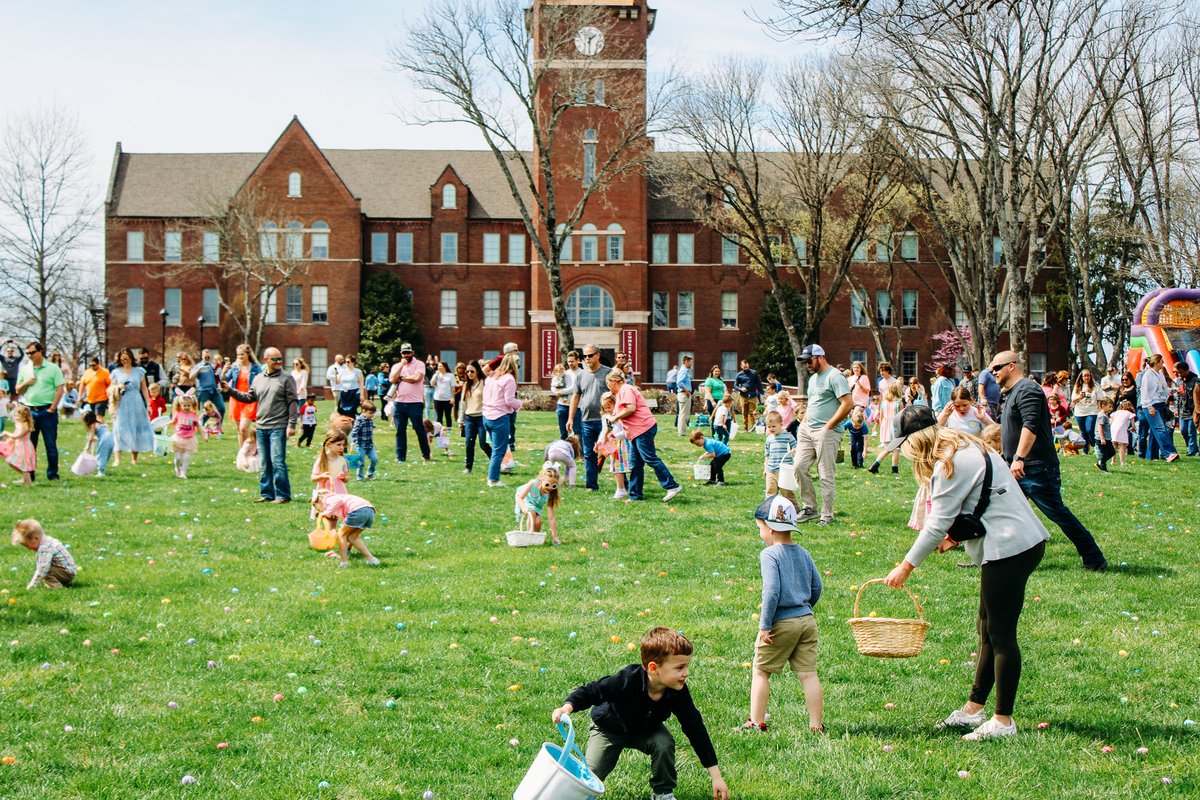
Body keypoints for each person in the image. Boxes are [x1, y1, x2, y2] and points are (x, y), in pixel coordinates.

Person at [883, 405, 1050, 741]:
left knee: (1000, 635)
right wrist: (955, 536)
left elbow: (935, 524)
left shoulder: (950, 463)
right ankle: (975, 709)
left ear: (917, 440)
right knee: (987, 628)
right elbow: (983, 500)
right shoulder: (967, 446)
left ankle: (1003, 721)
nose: (903, 451)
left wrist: (906, 566)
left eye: (904, 444)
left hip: (1011, 548)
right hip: (1015, 542)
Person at [551, 627, 730, 800]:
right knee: (589, 779)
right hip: (609, 730)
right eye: (680, 667)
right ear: (653, 668)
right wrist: (567, 707)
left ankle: (663, 794)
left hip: (646, 730)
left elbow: (694, 727)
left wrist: (716, 776)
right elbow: (592, 691)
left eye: (687, 665)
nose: (687, 672)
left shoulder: (677, 691)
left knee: (663, 742)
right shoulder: (627, 680)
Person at [988, 350, 1107, 571]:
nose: (992, 372)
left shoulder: (1027, 390)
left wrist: (1019, 458)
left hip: (1034, 468)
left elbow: (1030, 425)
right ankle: (989, 558)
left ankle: (1094, 558)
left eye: (996, 368)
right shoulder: (1013, 392)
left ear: (1011, 366)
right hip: (1017, 468)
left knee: (1057, 513)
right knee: (997, 511)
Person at [735, 495, 823, 734]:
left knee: (761, 671)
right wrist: (805, 608)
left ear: (771, 529)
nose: (760, 534)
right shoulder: (803, 553)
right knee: (808, 674)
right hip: (807, 621)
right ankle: (816, 726)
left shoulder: (770, 554)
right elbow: (817, 587)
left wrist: (765, 625)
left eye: (760, 529)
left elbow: (772, 591)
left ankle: (756, 722)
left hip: (781, 622)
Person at [222, 347, 298, 503]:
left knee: (277, 461)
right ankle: (267, 494)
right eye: (275, 359)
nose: (279, 362)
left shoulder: (286, 378)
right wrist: (230, 390)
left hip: (278, 425)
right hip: (261, 426)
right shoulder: (258, 379)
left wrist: (291, 424)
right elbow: (249, 397)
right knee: (264, 462)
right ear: (266, 360)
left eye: (280, 359)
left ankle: (283, 495)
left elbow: (293, 402)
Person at [790, 345, 853, 525]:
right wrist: (803, 425)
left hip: (828, 432)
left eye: (809, 360)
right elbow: (813, 403)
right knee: (798, 467)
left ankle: (827, 515)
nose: (807, 364)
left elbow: (848, 403)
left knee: (825, 474)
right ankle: (810, 508)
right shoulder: (813, 379)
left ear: (820, 357)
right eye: (805, 361)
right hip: (807, 429)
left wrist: (829, 426)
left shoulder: (835, 376)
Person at [608, 368, 681, 502]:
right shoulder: (621, 392)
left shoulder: (626, 389)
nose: (608, 387)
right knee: (635, 464)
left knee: (650, 458)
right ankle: (635, 495)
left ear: (613, 381)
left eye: (608, 384)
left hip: (643, 429)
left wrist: (615, 418)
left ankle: (672, 486)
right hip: (635, 432)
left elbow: (631, 408)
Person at [14, 341, 65, 481]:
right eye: (27, 353)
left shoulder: (52, 368)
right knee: (30, 446)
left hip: (47, 411)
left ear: (40, 352)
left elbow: (60, 389)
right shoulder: (25, 369)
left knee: (50, 445)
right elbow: (18, 390)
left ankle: (52, 474)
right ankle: (30, 475)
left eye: (32, 352)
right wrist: (26, 383)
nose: (29, 355)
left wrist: (52, 408)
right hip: (30, 412)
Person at [567, 344, 608, 491]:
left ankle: (624, 485)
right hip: (586, 421)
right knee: (590, 454)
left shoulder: (608, 373)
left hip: (606, 422)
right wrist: (571, 418)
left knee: (613, 453)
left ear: (598, 355)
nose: (587, 359)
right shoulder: (580, 375)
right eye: (585, 356)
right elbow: (576, 396)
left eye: (590, 355)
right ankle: (591, 485)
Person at [109, 347, 155, 467]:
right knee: (119, 428)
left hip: (136, 402)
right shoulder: (116, 372)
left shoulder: (139, 371)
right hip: (121, 402)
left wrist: (148, 403)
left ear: (131, 358)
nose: (125, 361)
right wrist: (118, 387)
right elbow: (110, 389)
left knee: (136, 427)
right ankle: (117, 459)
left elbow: (144, 388)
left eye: (127, 358)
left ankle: (134, 458)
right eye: (123, 359)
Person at [482, 352, 522, 487]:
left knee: (496, 449)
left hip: (486, 416)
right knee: (498, 451)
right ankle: (493, 479)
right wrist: (521, 404)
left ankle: (496, 474)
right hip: (499, 417)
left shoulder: (491, 377)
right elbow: (509, 400)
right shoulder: (509, 379)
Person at [388, 343, 431, 465]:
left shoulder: (420, 364)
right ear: (401, 354)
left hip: (415, 403)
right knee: (400, 430)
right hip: (400, 403)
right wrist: (401, 366)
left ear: (413, 352)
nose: (406, 355)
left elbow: (416, 378)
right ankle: (400, 456)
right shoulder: (397, 366)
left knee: (419, 429)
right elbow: (392, 379)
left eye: (408, 352)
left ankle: (426, 454)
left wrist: (402, 378)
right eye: (404, 353)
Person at [313, 489, 380, 567]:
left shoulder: (327, 499)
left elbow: (338, 501)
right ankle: (372, 560)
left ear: (319, 501)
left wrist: (327, 512)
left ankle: (344, 562)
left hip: (358, 510)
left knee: (341, 535)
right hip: (369, 511)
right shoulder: (340, 499)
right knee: (352, 537)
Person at [12, 519, 76, 590]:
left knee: (45, 570)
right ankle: (55, 582)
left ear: (35, 538)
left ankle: (56, 588)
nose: (28, 548)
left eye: (27, 545)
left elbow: (42, 570)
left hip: (67, 573)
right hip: (67, 571)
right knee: (43, 565)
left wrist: (32, 585)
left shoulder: (45, 548)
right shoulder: (46, 540)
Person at [1137, 354, 1179, 461]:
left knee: (1155, 431)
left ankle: (1151, 455)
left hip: (1160, 404)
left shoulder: (1160, 374)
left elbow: (1164, 389)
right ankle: (1169, 453)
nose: (1163, 363)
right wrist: (1149, 406)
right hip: (1151, 405)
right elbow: (1144, 391)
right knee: (1161, 429)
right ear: (1156, 362)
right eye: (1161, 361)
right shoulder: (1148, 375)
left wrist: (1175, 390)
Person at [224, 345, 261, 454]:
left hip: (249, 400)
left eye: (242, 354)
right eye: (238, 354)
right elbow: (224, 380)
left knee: (244, 428)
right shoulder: (235, 367)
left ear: (248, 354)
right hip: (236, 399)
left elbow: (261, 381)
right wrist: (224, 371)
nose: (240, 356)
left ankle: (247, 451)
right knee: (239, 430)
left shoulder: (255, 368)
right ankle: (242, 454)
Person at [458, 360, 491, 475]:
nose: (469, 373)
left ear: (477, 371)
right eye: (467, 371)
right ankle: (468, 467)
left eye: (472, 371)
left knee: (483, 443)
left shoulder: (484, 383)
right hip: (469, 418)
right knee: (469, 443)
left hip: (482, 418)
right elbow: (463, 403)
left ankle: (496, 462)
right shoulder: (466, 385)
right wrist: (461, 421)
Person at [515, 466, 561, 545]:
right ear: (541, 480)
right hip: (526, 500)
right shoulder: (533, 483)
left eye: (553, 486)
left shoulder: (551, 493)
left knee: (538, 522)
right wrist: (523, 508)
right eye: (547, 484)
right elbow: (519, 498)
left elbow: (551, 517)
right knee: (532, 513)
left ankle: (535, 540)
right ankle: (528, 537)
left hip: (537, 505)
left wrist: (554, 536)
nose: (550, 488)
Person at [868, 381, 905, 474]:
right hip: (895, 428)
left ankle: (875, 465)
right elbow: (901, 417)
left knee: (888, 448)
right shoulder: (899, 403)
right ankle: (894, 469)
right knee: (896, 449)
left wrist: (881, 428)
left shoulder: (883, 403)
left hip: (885, 427)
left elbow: (881, 417)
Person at [599, 391, 631, 499]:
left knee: (626, 466)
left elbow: (626, 431)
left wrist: (616, 435)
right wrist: (601, 441)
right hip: (614, 445)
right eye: (605, 408)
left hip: (624, 444)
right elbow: (604, 430)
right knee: (617, 467)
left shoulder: (621, 416)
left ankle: (631, 488)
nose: (608, 409)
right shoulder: (606, 417)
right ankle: (620, 489)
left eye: (609, 406)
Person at [311, 430, 349, 513]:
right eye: (338, 445)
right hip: (325, 491)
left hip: (339, 490)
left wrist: (344, 477)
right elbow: (313, 477)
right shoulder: (322, 459)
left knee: (339, 512)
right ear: (329, 444)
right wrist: (322, 476)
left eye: (343, 445)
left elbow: (347, 477)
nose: (342, 447)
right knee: (325, 512)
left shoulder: (342, 460)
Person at [763, 411, 796, 502]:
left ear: (781, 424)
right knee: (770, 492)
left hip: (784, 470)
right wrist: (766, 468)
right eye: (769, 427)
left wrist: (794, 450)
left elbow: (796, 447)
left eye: (773, 426)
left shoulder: (788, 436)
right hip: (771, 470)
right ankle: (769, 510)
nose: (771, 429)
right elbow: (767, 454)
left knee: (787, 493)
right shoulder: (769, 438)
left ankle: (794, 510)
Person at [0, 405, 36, 486]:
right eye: (15, 415)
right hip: (18, 446)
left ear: (24, 416)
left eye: (17, 415)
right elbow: (15, 434)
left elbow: (17, 436)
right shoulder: (18, 423)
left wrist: (7, 433)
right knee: (10, 461)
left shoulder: (25, 426)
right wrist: (10, 440)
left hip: (24, 447)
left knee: (23, 466)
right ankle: (25, 478)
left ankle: (29, 483)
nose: (15, 417)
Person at [1071, 369, 1100, 454]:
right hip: (1080, 411)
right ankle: (1085, 450)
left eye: (1088, 375)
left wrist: (1099, 410)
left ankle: (1094, 445)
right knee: (1083, 432)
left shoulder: (1095, 386)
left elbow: (1100, 399)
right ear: (1081, 377)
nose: (1086, 377)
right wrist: (1079, 397)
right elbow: (1073, 400)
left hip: (1092, 411)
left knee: (1090, 430)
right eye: (1085, 376)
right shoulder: (1077, 386)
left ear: (1091, 376)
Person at [191, 349, 225, 419]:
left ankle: (217, 427)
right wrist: (198, 370)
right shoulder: (198, 366)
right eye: (205, 356)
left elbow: (218, 377)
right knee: (206, 412)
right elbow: (191, 377)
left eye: (208, 357)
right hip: (204, 392)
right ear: (202, 356)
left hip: (215, 390)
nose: (207, 358)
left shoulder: (212, 366)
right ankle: (202, 428)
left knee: (222, 408)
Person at [1173, 361, 1197, 456]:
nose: (1179, 374)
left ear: (1187, 370)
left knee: (1191, 431)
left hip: (1192, 410)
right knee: (1183, 430)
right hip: (1182, 410)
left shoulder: (1195, 380)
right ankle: (1192, 447)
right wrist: (1176, 409)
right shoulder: (1179, 381)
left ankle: (1192, 451)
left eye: (1180, 372)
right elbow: (1177, 396)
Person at [552, 356, 580, 440]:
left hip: (575, 405)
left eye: (572, 361)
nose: (570, 363)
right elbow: (554, 387)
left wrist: (561, 392)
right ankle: (564, 447)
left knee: (576, 430)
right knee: (563, 430)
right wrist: (555, 392)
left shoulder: (581, 373)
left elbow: (574, 388)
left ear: (577, 361)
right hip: (562, 404)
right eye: (569, 361)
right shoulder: (564, 374)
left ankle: (577, 449)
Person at [350, 400, 379, 480]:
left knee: (374, 459)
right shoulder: (360, 420)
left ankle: (370, 473)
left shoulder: (370, 419)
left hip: (370, 445)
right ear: (364, 411)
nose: (372, 415)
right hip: (361, 445)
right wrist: (353, 441)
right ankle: (360, 477)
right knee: (361, 462)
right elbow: (354, 431)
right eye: (370, 413)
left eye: (373, 413)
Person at [82, 410, 114, 476]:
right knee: (106, 455)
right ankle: (101, 469)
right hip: (111, 437)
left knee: (101, 455)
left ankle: (101, 472)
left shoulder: (92, 425)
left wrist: (87, 446)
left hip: (104, 439)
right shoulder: (100, 421)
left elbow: (91, 436)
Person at [734, 359, 763, 430]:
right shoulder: (739, 375)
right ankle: (745, 428)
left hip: (752, 395)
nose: (746, 368)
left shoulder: (754, 373)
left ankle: (753, 427)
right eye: (744, 367)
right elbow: (735, 385)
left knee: (752, 412)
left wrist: (762, 393)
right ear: (741, 366)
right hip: (743, 396)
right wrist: (741, 389)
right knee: (744, 412)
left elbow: (758, 384)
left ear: (748, 365)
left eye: (747, 366)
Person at [80, 357, 112, 421]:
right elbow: (82, 384)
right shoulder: (87, 372)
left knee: (98, 416)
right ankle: (96, 429)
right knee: (93, 418)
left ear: (98, 364)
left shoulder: (105, 372)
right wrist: (80, 395)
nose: (92, 367)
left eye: (93, 365)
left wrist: (109, 393)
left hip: (101, 398)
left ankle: (102, 429)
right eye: (90, 365)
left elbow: (110, 383)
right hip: (90, 399)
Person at [430, 360, 455, 429]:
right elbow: (432, 384)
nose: (439, 367)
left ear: (445, 367)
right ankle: (439, 430)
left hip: (447, 399)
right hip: (438, 399)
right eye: (438, 366)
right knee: (439, 416)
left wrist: (453, 398)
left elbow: (453, 387)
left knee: (448, 415)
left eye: (440, 366)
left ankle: (449, 430)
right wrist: (436, 375)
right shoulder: (436, 375)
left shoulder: (450, 375)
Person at [1110, 399, 1135, 467]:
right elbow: (1133, 424)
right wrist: (1132, 428)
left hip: (1113, 428)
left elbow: (1111, 422)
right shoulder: (1129, 413)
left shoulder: (1116, 412)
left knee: (1114, 445)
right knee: (1122, 446)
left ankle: (1113, 461)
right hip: (1121, 429)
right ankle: (1122, 462)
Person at [1095, 397, 1117, 472]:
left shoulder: (1105, 415)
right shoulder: (1102, 416)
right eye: (1110, 406)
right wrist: (1102, 438)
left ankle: (1099, 462)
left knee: (1112, 452)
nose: (1111, 408)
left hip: (1107, 438)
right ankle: (1103, 468)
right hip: (1102, 438)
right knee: (1104, 453)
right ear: (1103, 406)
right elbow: (1099, 427)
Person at [701, 365, 726, 430]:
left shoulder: (720, 380)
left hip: (721, 400)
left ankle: (720, 432)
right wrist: (712, 401)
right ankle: (714, 433)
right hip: (713, 400)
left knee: (721, 416)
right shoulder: (709, 380)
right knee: (714, 417)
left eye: (718, 371)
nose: (717, 372)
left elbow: (723, 390)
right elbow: (708, 392)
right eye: (716, 371)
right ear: (712, 372)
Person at [674, 355, 694, 436]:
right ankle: (682, 432)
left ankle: (683, 431)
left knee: (685, 414)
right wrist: (687, 391)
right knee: (683, 414)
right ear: (686, 361)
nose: (691, 364)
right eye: (690, 362)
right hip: (684, 394)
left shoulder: (684, 371)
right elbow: (679, 382)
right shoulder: (683, 371)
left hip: (684, 394)